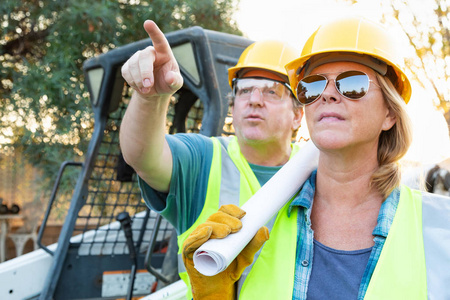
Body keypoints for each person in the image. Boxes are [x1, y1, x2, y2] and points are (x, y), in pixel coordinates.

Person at [182, 16, 450, 299]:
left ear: (390, 114)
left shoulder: (440, 228)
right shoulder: (255, 225)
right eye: (313, 86)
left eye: (352, 84)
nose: (328, 95)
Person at [119, 20, 303, 297]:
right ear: (233, 106)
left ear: (298, 115)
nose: (254, 100)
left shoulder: (322, 168)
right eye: (244, 90)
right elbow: (142, 155)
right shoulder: (203, 158)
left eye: (271, 91)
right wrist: (149, 98)